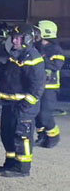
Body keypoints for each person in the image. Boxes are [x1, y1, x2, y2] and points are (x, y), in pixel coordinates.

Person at [0, 24, 45, 177]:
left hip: (23, 107)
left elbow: (37, 87)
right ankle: (10, 162)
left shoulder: (33, 59)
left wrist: (26, 105)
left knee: (22, 137)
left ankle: (22, 168)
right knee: (7, 134)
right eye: (13, 38)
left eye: (18, 38)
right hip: (9, 104)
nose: (14, 41)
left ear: (27, 39)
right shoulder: (15, 55)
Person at [35, 20, 64, 148]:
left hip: (49, 88)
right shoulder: (36, 47)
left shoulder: (55, 49)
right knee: (35, 114)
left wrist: (40, 60)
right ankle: (41, 136)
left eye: (38, 31)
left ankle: (53, 136)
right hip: (36, 86)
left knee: (45, 115)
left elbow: (56, 65)